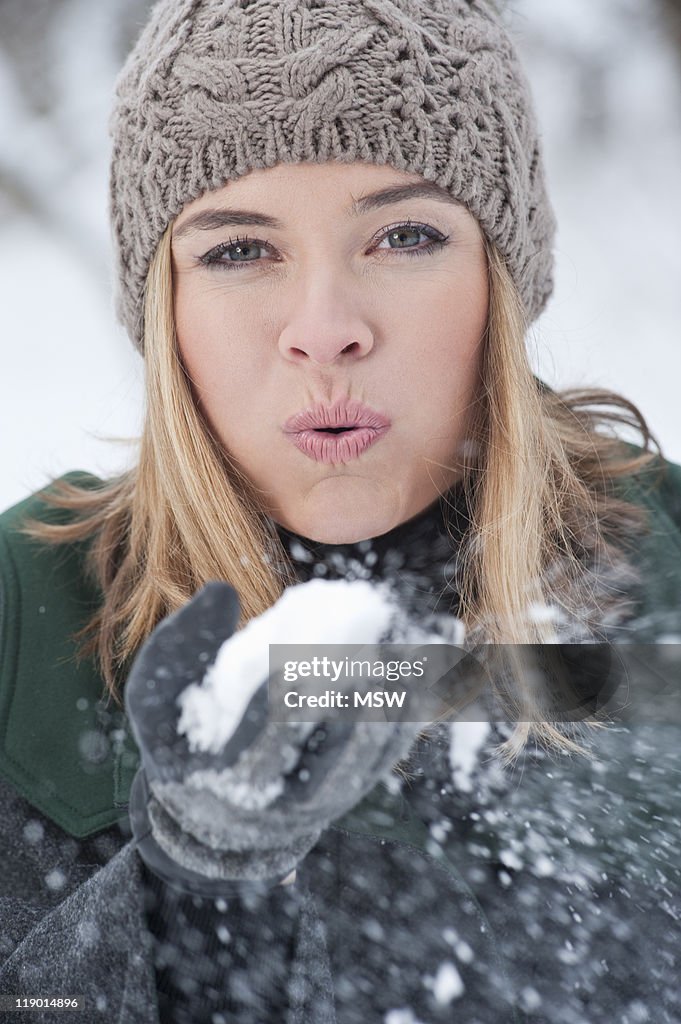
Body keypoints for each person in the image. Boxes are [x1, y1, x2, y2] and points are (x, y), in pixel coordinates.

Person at [1, 0, 681, 1021]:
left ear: (502, 276)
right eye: (239, 250)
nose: (326, 331)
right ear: (163, 305)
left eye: (405, 234)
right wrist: (185, 896)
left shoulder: (664, 579)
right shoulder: (24, 620)